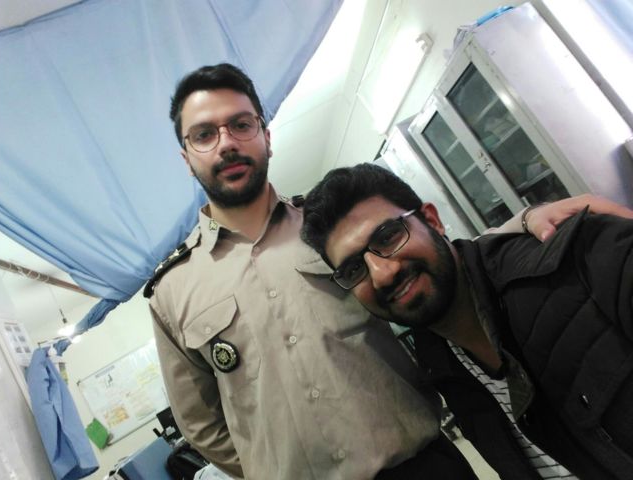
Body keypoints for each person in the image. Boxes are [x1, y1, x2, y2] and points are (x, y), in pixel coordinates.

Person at [145, 63, 616, 479]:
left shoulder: (330, 227)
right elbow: (203, 425)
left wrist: (527, 220)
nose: (227, 143)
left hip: (424, 468)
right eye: (204, 134)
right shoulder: (172, 291)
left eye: (240, 124)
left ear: (266, 136)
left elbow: (437, 263)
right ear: (187, 158)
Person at [300, 163, 633, 480]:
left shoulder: (584, 260)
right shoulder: (441, 368)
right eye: (354, 269)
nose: (382, 274)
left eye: (388, 237)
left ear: (432, 220)